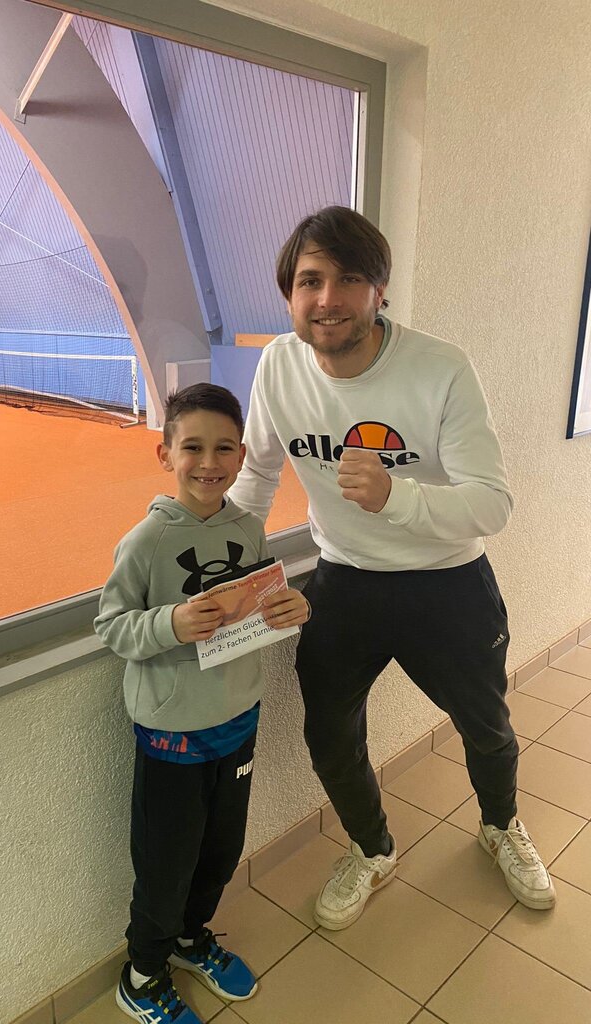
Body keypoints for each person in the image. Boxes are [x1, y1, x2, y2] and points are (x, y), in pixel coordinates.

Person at [229, 205, 555, 931]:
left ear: (380, 290)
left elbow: (492, 504)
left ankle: (500, 825)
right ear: (288, 293)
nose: (328, 299)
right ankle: (372, 848)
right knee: (329, 734)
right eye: (310, 280)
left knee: (486, 725)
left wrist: (396, 497)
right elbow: (255, 479)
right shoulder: (279, 364)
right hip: (345, 581)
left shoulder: (440, 368)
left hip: (448, 583)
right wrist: (211, 561)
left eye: (349, 279)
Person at [95, 383, 309, 1023]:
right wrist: (170, 624)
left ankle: (190, 941)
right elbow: (112, 627)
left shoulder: (248, 528)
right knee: (166, 862)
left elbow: (258, 605)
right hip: (172, 732)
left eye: (223, 448)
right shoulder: (145, 542)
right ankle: (142, 974)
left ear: (242, 455)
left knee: (220, 849)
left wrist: (289, 608)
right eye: (193, 447)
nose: (209, 462)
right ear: (165, 454)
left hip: (238, 719)